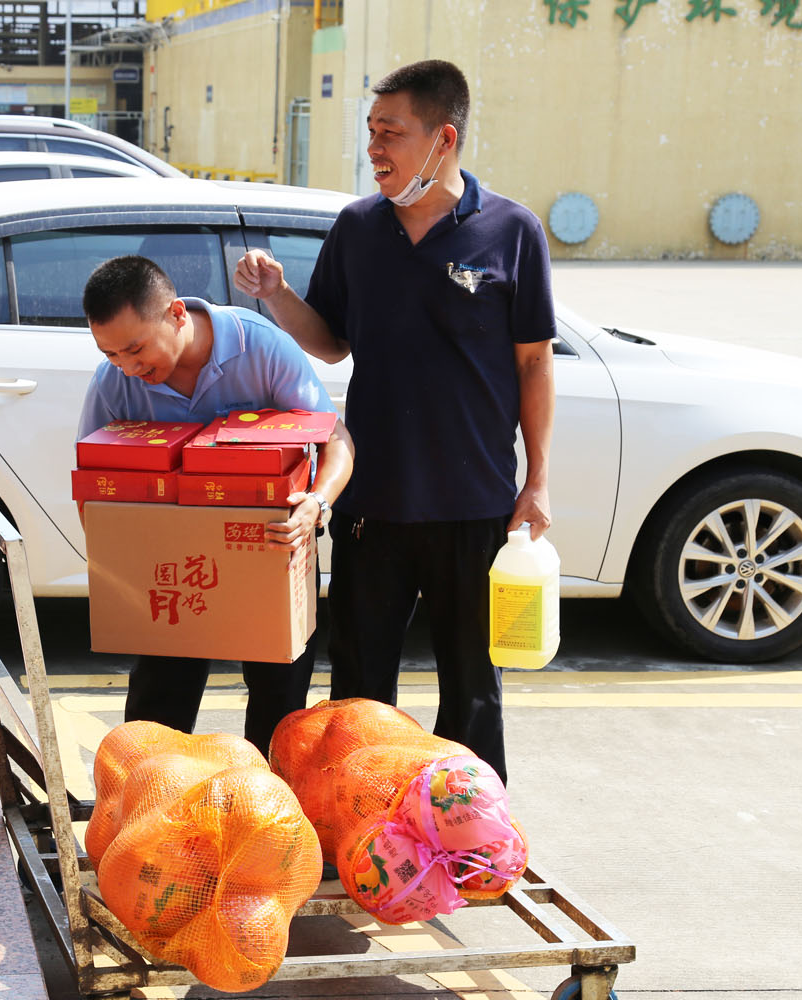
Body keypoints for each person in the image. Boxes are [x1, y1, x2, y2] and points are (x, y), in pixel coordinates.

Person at [234, 59, 555, 784]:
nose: (375, 148)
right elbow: (330, 342)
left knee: (473, 690)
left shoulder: (512, 231)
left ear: (444, 139)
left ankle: (469, 829)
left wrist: (537, 481)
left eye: (392, 133)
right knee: (359, 690)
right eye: (371, 131)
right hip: (370, 506)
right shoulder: (358, 228)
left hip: (475, 505)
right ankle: (363, 822)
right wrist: (278, 294)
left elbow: (535, 363)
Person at [78, 255, 355, 757]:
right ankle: (151, 796)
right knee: (158, 705)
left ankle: (269, 803)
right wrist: (121, 561)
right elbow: (94, 487)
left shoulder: (261, 346)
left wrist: (316, 504)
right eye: (111, 354)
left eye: (136, 349)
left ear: (176, 314)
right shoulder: (113, 381)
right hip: (171, 560)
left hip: (272, 549)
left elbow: (335, 439)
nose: (129, 368)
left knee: (278, 701)